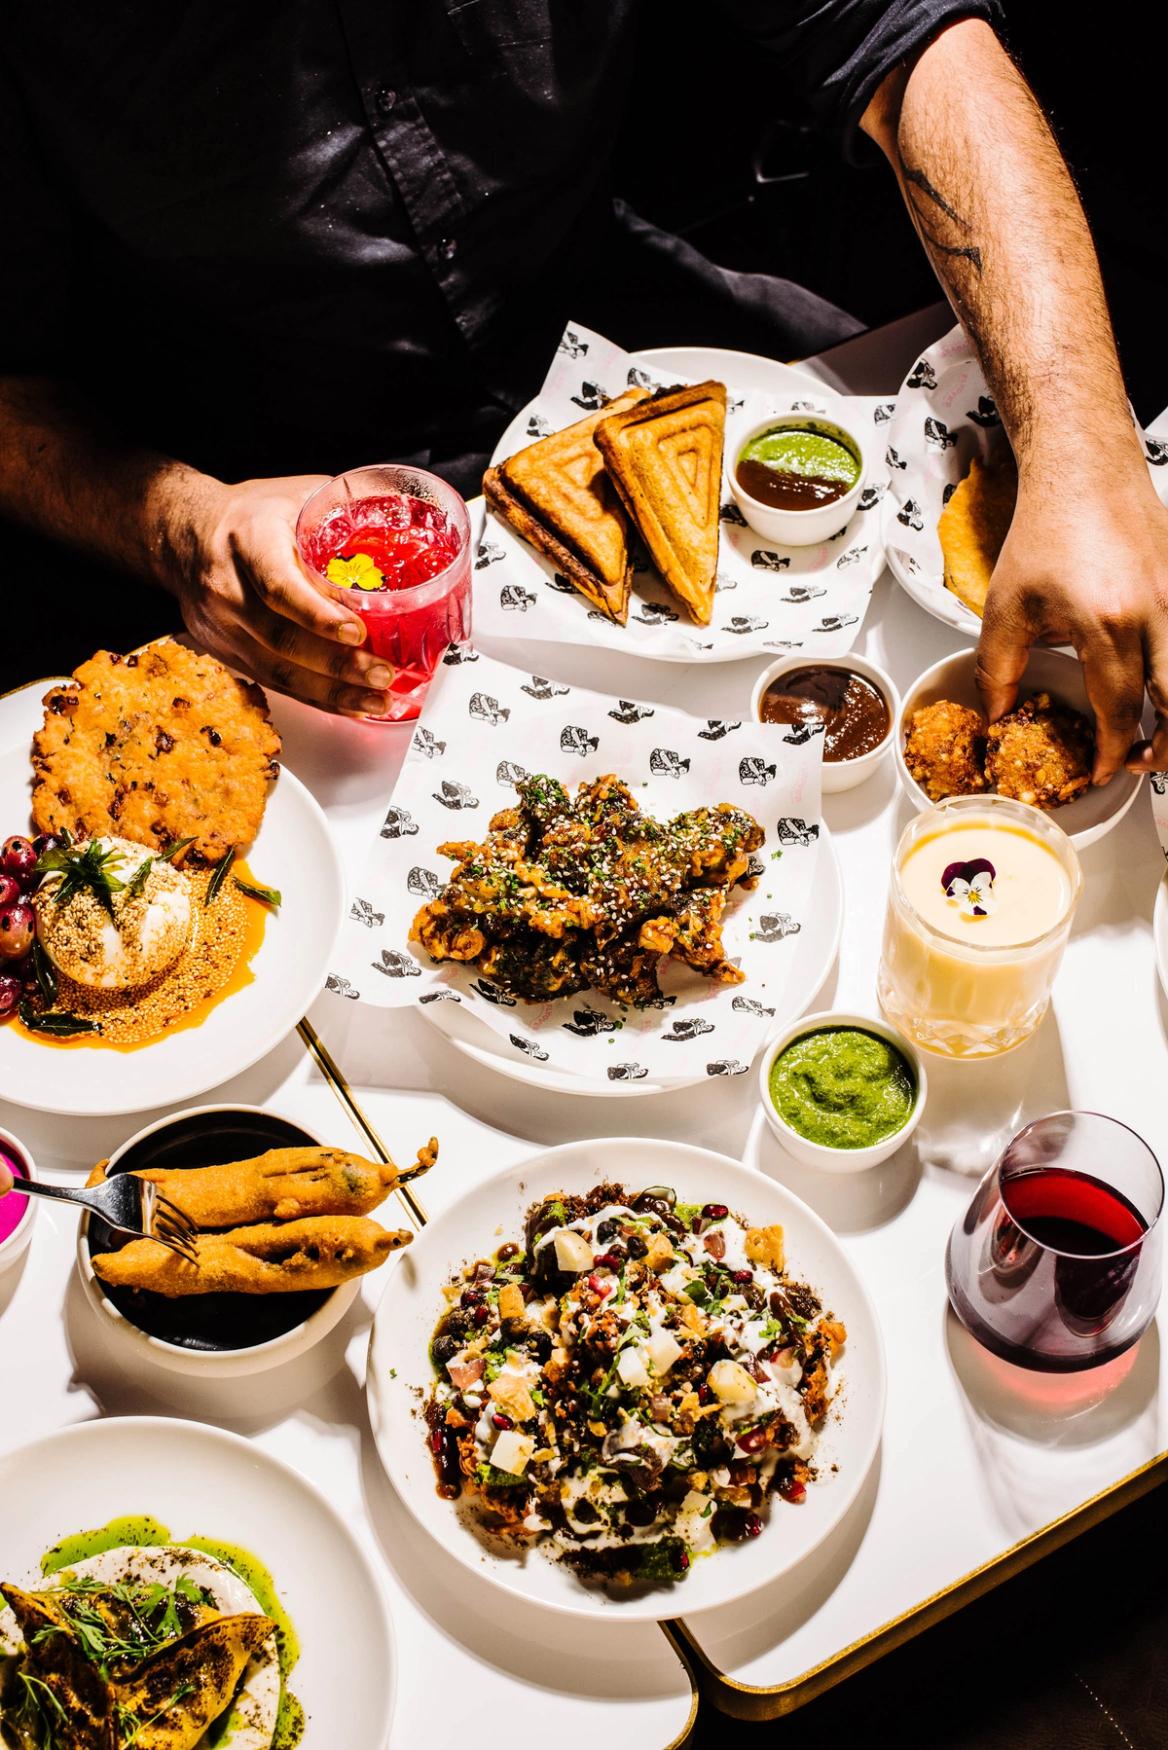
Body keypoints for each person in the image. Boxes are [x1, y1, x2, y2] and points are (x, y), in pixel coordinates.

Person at [0, 5, 1164, 781]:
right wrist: (173, 525)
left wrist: (1080, 444)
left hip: (611, 340)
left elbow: (910, 39)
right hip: (239, 486)